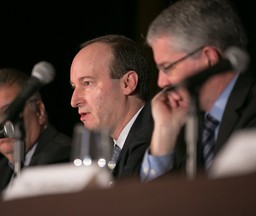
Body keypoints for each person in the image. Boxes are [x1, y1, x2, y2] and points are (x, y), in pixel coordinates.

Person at [141, 0, 256, 182]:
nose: (161, 82)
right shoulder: (181, 121)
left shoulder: (251, 110)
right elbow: (151, 206)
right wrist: (165, 131)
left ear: (209, 58)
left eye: (167, 67)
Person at [0, 68, 72, 198]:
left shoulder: (63, 157)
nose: (1, 124)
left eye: (10, 112)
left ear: (39, 111)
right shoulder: (1, 169)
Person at [70, 34, 154, 181]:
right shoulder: (110, 149)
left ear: (128, 83)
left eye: (87, 83)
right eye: (74, 87)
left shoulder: (153, 143)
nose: (74, 101)